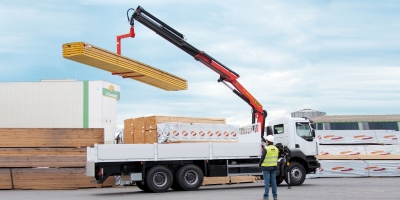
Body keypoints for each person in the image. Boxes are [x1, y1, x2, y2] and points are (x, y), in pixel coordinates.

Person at [259, 135, 279, 200]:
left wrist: (259, 164)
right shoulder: (276, 149)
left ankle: (266, 197)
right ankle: (275, 196)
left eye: (266, 140)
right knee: (273, 182)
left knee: (267, 182)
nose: (266, 141)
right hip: (273, 167)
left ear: (268, 141)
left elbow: (262, 157)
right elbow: (277, 158)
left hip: (266, 167)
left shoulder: (266, 148)